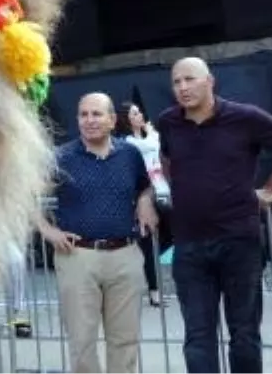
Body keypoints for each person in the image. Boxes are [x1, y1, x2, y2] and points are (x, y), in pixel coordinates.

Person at [158, 56, 272, 374]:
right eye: (176, 82)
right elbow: (166, 158)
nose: (182, 87)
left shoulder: (244, 117)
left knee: (244, 335)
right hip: (189, 246)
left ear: (210, 81)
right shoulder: (168, 122)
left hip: (239, 242)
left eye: (190, 79)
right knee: (197, 338)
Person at [37, 93, 157, 374]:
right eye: (83, 114)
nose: (89, 120)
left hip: (125, 255)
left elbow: (145, 185)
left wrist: (145, 199)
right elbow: (24, 195)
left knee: (125, 341)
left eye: (96, 114)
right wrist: (48, 231)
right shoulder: (61, 157)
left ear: (113, 120)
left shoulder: (129, 154)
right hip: (78, 257)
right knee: (82, 342)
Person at [124, 101, 172, 306]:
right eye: (134, 113)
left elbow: (160, 147)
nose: (140, 116)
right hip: (144, 195)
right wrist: (151, 133)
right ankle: (154, 292)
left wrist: (150, 132)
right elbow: (150, 146)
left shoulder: (151, 137)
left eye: (140, 112)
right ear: (127, 119)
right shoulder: (128, 143)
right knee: (147, 241)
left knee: (166, 237)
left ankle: (146, 264)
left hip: (164, 190)